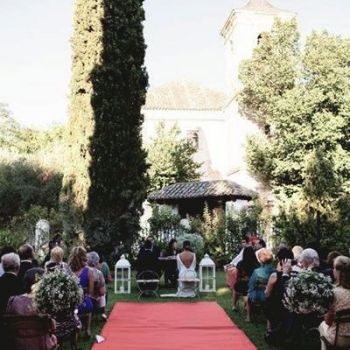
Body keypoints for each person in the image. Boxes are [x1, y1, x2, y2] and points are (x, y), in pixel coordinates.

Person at [6, 267, 58, 350]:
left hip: (18, 345)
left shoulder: (13, 301)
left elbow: (9, 322)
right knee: (54, 337)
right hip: (41, 345)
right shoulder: (44, 303)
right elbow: (53, 328)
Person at [319, 256, 350, 350]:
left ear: (338, 271)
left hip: (339, 339)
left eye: (333, 268)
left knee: (322, 325)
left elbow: (328, 321)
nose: (332, 270)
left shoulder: (333, 292)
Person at [69, 246, 94, 337]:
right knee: (89, 301)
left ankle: (76, 328)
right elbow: (90, 292)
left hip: (71, 304)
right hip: (85, 304)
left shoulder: (68, 270)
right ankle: (88, 329)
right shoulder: (89, 271)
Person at [247, 248, 275, 322]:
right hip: (272, 295)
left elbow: (251, 285)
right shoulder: (275, 271)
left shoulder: (256, 271)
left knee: (248, 295)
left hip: (259, 295)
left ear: (260, 260)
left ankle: (248, 317)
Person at [232, 246, 259, 311]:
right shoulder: (256, 264)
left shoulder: (240, 263)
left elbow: (236, 275)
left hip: (242, 285)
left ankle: (234, 305)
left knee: (235, 288)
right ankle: (246, 306)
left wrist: (241, 279)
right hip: (254, 286)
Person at [87, 251, 107, 320]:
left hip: (82, 296)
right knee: (104, 293)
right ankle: (103, 313)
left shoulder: (82, 271)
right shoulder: (98, 273)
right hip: (93, 298)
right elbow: (102, 292)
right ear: (96, 261)